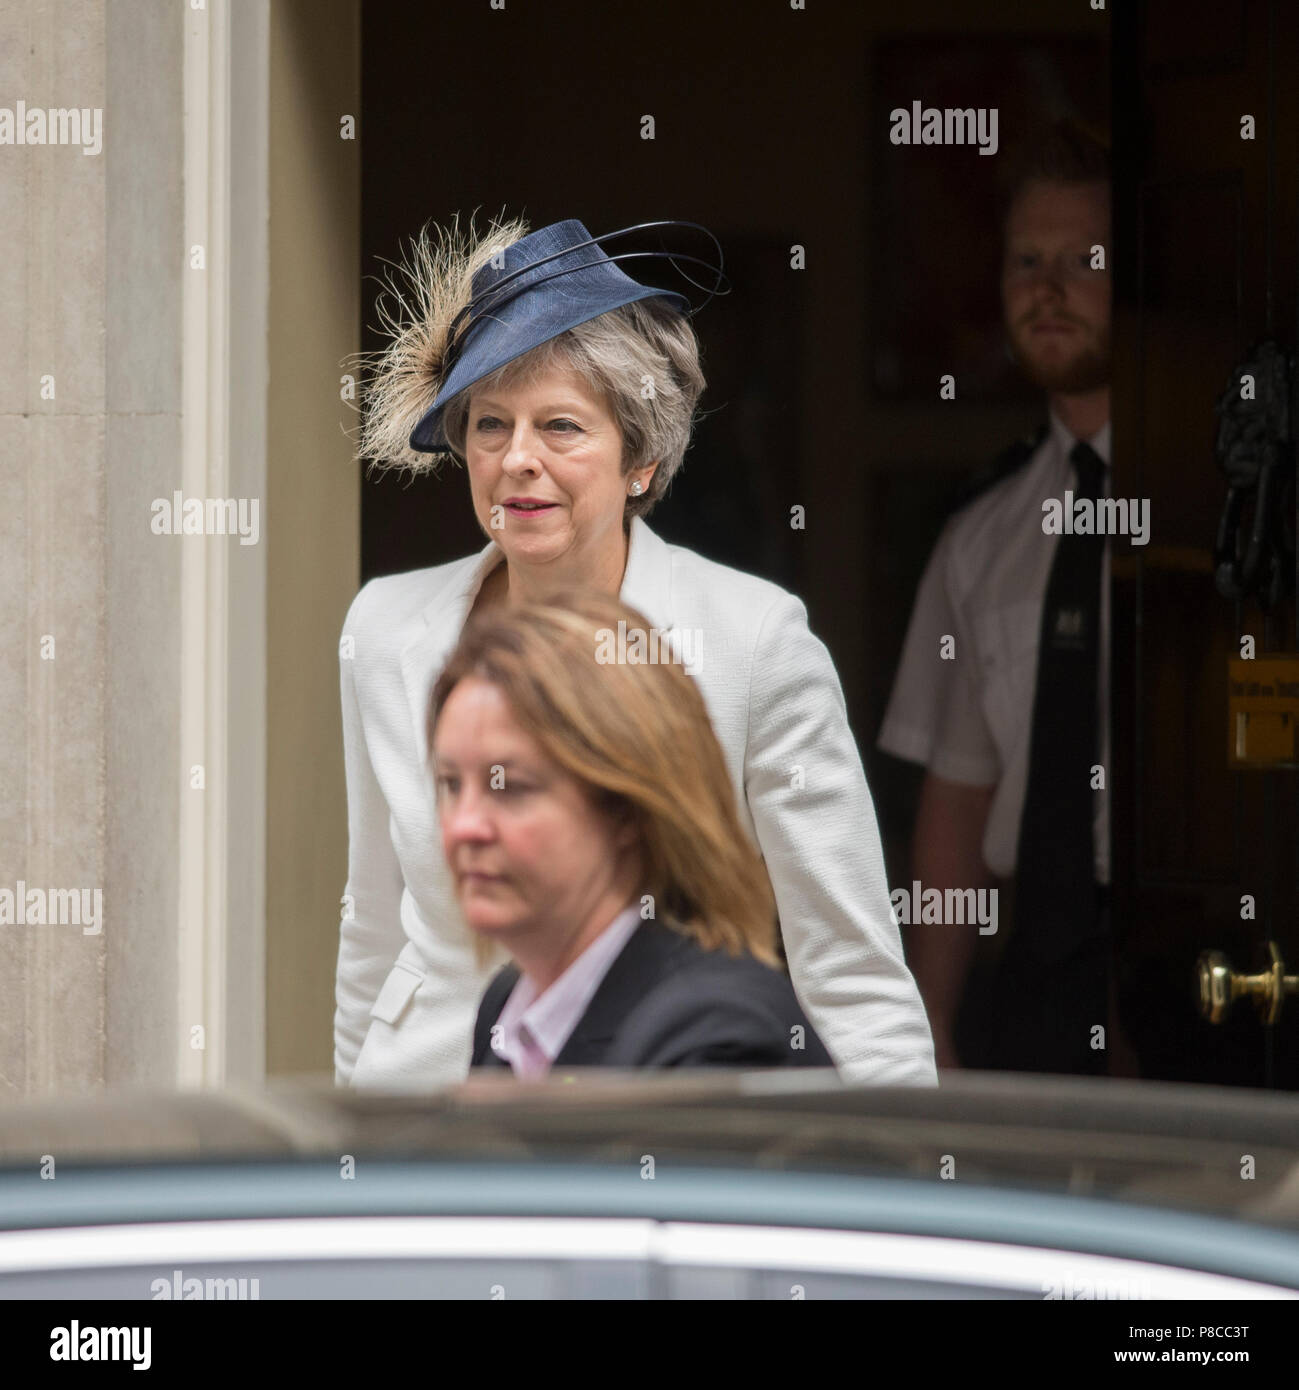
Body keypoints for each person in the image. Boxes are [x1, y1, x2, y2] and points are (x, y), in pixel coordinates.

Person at [335, 213, 936, 1089]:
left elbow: (850, 972)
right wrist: (351, 1151)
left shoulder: (752, 640)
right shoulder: (385, 627)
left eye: (562, 427)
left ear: (641, 459)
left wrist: (901, 1188)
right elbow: (372, 930)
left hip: (652, 1116)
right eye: (491, 425)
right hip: (422, 1118)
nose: (518, 461)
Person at [878, 121, 1134, 1076]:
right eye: (1026, 259)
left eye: (1084, 259)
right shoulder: (980, 536)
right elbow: (956, 789)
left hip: (1197, 957)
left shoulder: (1230, 507)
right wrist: (928, 1030)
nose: (1048, 287)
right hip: (1036, 965)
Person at [424, 589, 835, 1072]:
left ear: (626, 809)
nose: (463, 826)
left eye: (510, 787)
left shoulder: (719, 1037)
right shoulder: (507, 1004)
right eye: (451, 784)